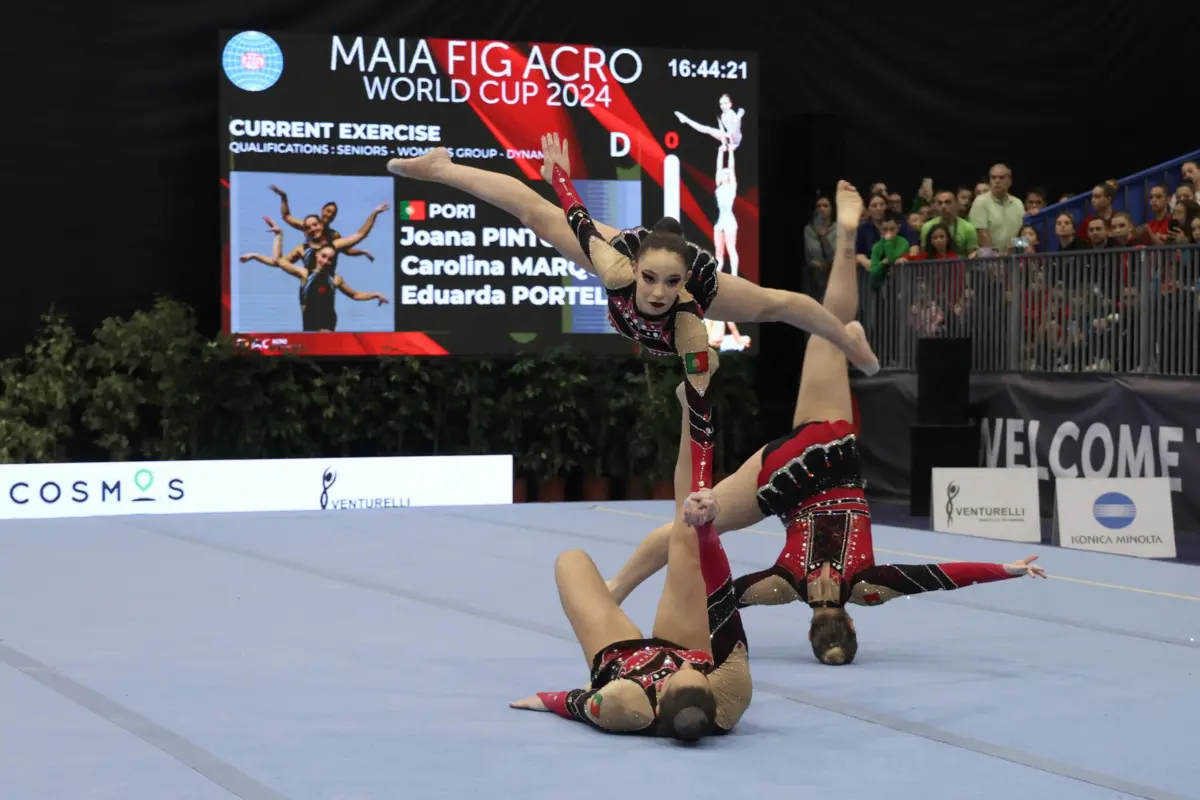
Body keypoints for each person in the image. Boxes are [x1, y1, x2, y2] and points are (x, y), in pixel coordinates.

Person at [605, 182, 1047, 665]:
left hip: (829, 452)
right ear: (814, 629)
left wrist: (1008, 568)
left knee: (832, 327)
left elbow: (938, 575)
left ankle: (845, 242)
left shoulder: (870, 589)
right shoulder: (783, 588)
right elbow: (720, 599)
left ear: (853, 622)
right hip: (785, 478)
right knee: (685, 529)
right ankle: (614, 590)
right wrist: (682, 638)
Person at [385, 141, 879, 376]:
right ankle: (442, 167)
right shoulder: (617, 264)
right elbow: (566, 212)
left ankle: (850, 342)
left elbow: (703, 405)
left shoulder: (690, 308)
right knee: (534, 213)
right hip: (633, 252)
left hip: (693, 273)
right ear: (637, 269)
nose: (659, 294)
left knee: (780, 305)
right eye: (651, 281)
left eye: (668, 285)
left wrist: (845, 337)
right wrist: (558, 174)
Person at [510, 383, 750, 739]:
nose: (674, 670)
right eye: (696, 671)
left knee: (570, 561)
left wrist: (545, 700)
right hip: (689, 639)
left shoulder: (625, 706)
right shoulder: (731, 695)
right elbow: (722, 600)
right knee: (686, 534)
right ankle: (694, 405)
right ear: (709, 684)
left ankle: (611, 595)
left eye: (673, 677)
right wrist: (706, 532)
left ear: (657, 703)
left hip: (620, 654)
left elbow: (578, 703)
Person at [239, 217, 389, 332]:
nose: (326, 260)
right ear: (316, 256)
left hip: (327, 323)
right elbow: (278, 260)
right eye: (323, 256)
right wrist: (278, 236)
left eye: (330, 259)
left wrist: (375, 294)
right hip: (308, 322)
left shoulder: (335, 278)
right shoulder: (304, 273)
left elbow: (355, 295)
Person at [267, 185, 376, 261]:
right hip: (308, 262)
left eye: (333, 214)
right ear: (322, 210)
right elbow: (286, 216)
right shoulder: (309, 226)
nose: (329, 215)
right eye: (328, 211)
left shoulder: (334, 235)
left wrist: (362, 252)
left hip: (324, 267)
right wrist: (283, 197)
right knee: (278, 261)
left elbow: (346, 250)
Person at [675, 94, 745, 151]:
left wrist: (731, 145)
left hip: (736, 139)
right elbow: (722, 130)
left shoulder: (732, 113)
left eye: (725, 103)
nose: (723, 106)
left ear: (730, 104)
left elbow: (736, 128)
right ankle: (686, 120)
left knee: (736, 121)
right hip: (728, 137)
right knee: (707, 129)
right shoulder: (722, 116)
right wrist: (724, 145)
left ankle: (740, 114)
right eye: (721, 104)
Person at [713, 143, 740, 277]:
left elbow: (731, 167)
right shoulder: (719, 186)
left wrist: (730, 152)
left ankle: (734, 275)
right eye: (723, 173)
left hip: (729, 220)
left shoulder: (732, 187)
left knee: (731, 249)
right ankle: (717, 275)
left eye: (726, 173)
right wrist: (720, 151)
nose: (724, 174)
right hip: (720, 221)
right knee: (719, 252)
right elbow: (718, 168)